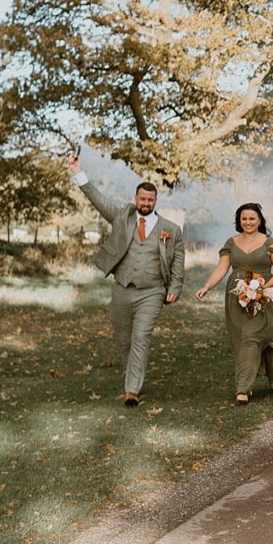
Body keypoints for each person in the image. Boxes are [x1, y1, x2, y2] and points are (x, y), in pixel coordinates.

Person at [67, 154, 185, 407]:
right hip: (121, 290)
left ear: (156, 201)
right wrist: (79, 173)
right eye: (142, 199)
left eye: (150, 200)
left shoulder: (171, 229)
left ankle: (131, 390)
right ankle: (131, 376)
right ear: (136, 198)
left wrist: (175, 287)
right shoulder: (122, 216)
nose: (145, 203)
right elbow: (98, 200)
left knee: (141, 337)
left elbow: (178, 260)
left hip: (152, 291)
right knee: (124, 340)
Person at [195, 204, 273, 404]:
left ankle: (242, 390)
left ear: (259, 220)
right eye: (244, 219)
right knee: (241, 342)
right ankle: (247, 383)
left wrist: (263, 287)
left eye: (252, 218)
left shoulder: (269, 243)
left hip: (264, 298)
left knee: (250, 338)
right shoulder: (231, 243)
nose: (248, 222)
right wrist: (207, 286)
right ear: (239, 221)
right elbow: (222, 268)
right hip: (236, 297)